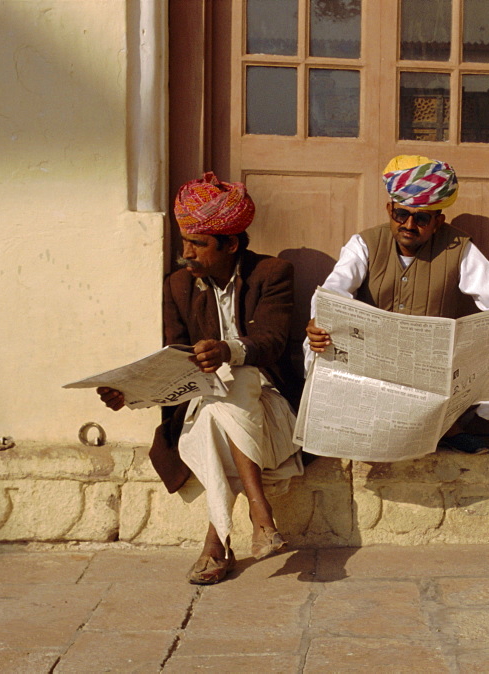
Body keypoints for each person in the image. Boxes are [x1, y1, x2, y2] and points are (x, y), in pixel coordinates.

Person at [97, 172, 303, 585]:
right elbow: (173, 361)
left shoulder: (272, 273)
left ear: (230, 244)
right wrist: (133, 394)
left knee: (240, 378)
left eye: (198, 244)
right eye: (184, 241)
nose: (185, 253)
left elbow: (274, 341)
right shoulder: (177, 286)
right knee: (214, 407)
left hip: (272, 415)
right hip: (206, 412)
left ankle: (216, 544)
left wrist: (229, 350)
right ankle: (260, 517)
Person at [305, 155, 489, 455]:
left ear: (438, 221)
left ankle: (446, 428)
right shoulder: (363, 244)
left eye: (422, 218)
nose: (409, 225)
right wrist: (319, 321)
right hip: (375, 362)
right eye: (401, 214)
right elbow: (332, 292)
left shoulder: (458, 248)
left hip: (430, 367)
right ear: (390, 209)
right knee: (316, 344)